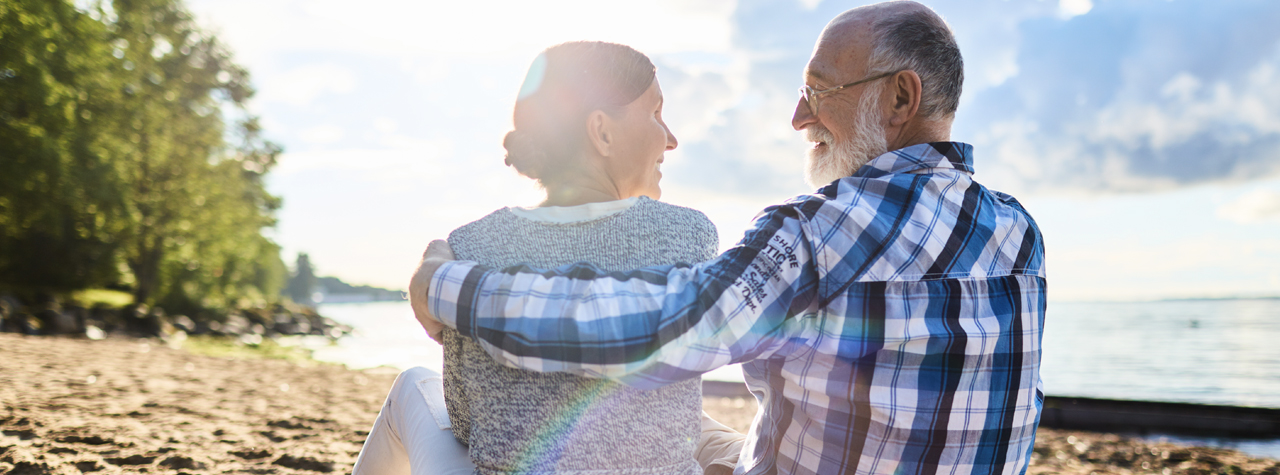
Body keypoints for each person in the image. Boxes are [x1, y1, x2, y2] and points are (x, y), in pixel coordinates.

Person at [412, 3, 1047, 475]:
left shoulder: (820, 232)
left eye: (818, 91)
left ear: (900, 97)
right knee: (698, 435)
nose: (800, 117)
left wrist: (448, 285)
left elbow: (649, 331)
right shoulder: (1022, 237)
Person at [355, 41, 728, 475]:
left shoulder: (470, 246)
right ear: (602, 132)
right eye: (656, 113)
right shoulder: (689, 235)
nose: (671, 137)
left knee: (413, 385)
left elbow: (465, 421)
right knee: (709, 435)